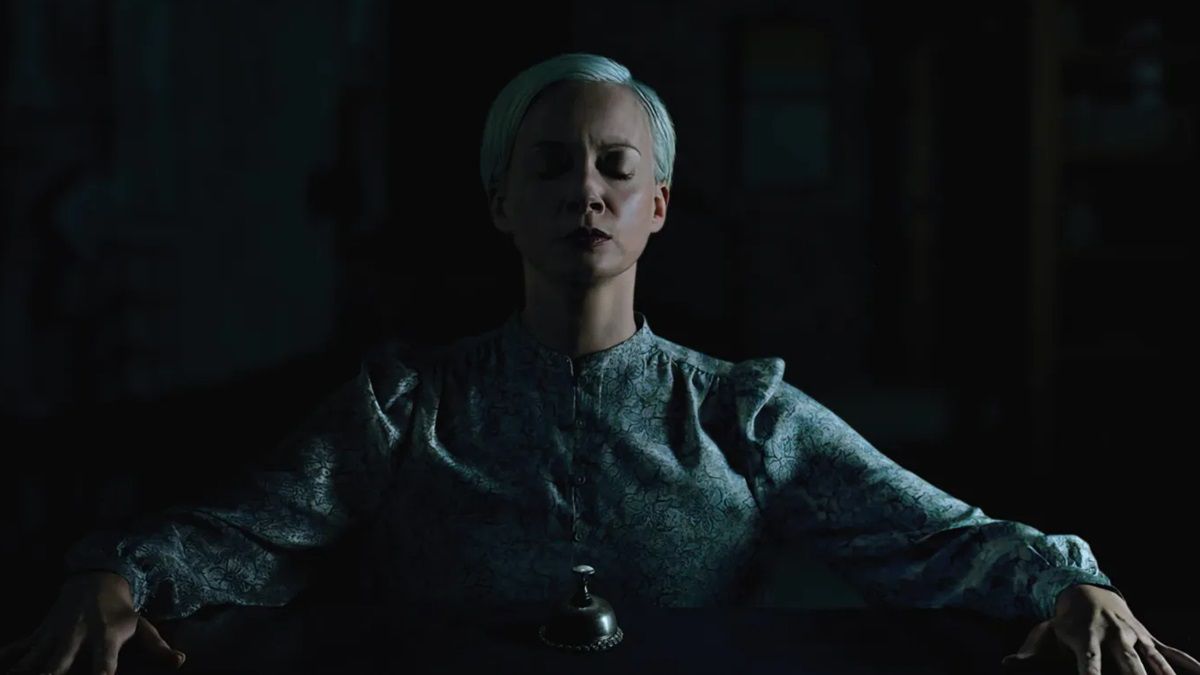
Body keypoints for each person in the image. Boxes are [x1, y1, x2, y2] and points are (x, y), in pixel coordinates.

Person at [3, 53, 1197, 675]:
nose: (585, 189)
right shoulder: (407, 406)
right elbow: (244, 533)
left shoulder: (741, 415)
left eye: (615, 167)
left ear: (656, 205)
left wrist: (1067, 583)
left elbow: (928, 536)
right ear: (500, 204)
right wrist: (118, 576)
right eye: (551, 166)